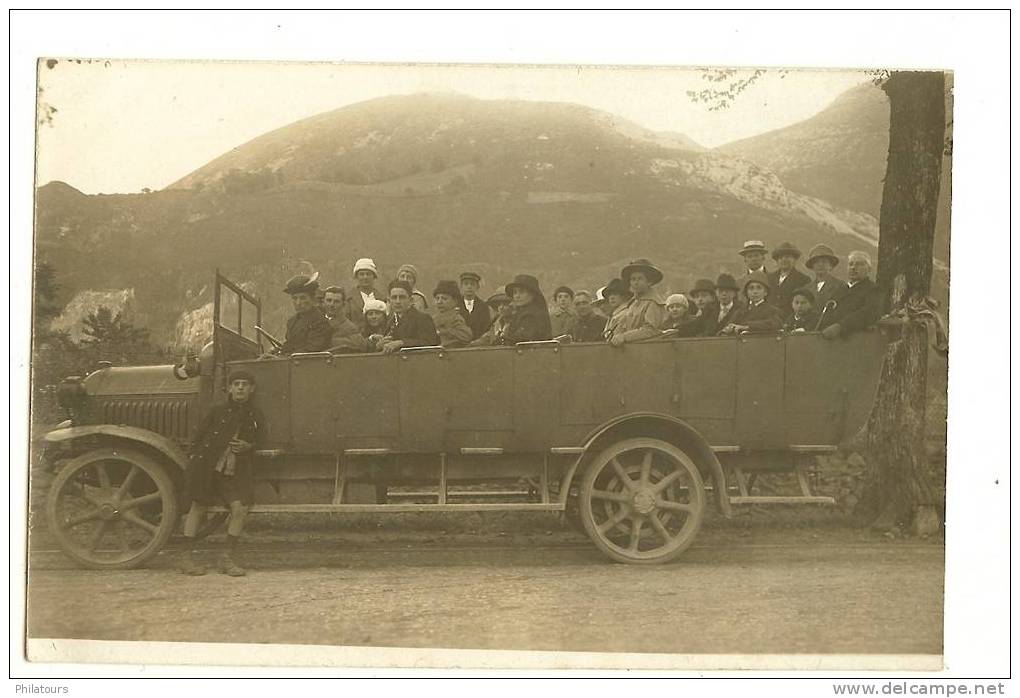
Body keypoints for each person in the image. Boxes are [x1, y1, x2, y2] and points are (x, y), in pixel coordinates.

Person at [179, 370, 263, 577]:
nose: (241, 388)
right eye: (236, 384)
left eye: (245, 384)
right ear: (230, 389)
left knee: (240, 509)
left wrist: (248, 445)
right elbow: (198, 438)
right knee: (198, 507)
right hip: (208, 467)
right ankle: (185, 558)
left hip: (231, 471)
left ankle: (226, 558)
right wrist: (194, 463)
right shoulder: (217, 411)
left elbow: (261, 439)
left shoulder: (255, 415)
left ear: (251, 389)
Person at [817, 251, 884, 339]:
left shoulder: (873, 290)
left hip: (856, 341)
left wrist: (840, 326)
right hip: (831, 341)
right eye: (851, 264)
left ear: (869, 269)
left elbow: (869, 312)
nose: (853, 267)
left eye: (859, 264)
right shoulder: (839, 290)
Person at [605, 259, 667, 346]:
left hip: (648, 349)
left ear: (649, 282)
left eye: (640, 279)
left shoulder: (653, 303)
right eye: (633, 279)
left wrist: (624, 337)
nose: (635, 282)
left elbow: (650, 331)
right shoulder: (633, 303)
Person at [274, 274, 332, 355]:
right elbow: (289, 345)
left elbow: (311, 351)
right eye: (294, 298)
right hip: (292, 363)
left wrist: (283, 357)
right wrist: (277, 353)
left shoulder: (320, 322)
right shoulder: (292, 322)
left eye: (303, 298)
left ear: (312, 299)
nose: (298, 303)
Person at [378, 279, 440, 353]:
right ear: (389, 301)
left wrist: (402, 343)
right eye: (394, 298)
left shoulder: (423, 319)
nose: (397, 302)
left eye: (402, 297)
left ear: (411, 300)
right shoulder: (390, 322)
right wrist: (380, 345)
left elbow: (430, 343)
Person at [502, 274, 552, 344]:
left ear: (533, 294)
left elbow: (520, 338)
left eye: (521, 292)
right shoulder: (518, 313)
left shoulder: (534, 315)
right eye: (515, 292)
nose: (517, 296)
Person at [767, 242, 811, 317]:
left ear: (794, 259)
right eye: (780, 258)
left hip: (790, 320)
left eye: (787, 257)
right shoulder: (769, 278)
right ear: (777, 261)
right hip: (770, 319)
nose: (784, 260)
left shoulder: (803, 279)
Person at [322, 285, 364, 354]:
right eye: (329, 300)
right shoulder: (316, 322)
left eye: (336, 302)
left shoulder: (350, 328)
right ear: (323, 302)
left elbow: (359, 347)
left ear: (343, 304)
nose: (332, 304)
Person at [805, 243, 848, 309]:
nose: (820, 265)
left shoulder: (840, 286)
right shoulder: (806, 289)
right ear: (812, 266)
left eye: (824, 262)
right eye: (817, 262)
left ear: (831, 266)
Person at [432, 280, 473, 348]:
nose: (439, 302)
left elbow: (467, 336)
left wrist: (443, 332)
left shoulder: (456, 318)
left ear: (455, 301)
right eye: (437, 298)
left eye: (444, 299)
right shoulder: (433, 319)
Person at [457, 271, 491, 340]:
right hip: (458, 345)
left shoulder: (483, 307)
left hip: (479, 346)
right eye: (466, 284)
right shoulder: (455, 305)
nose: (469, 287)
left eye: (472, 284)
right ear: (461, 287)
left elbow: (486, 328)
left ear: (477, 287)